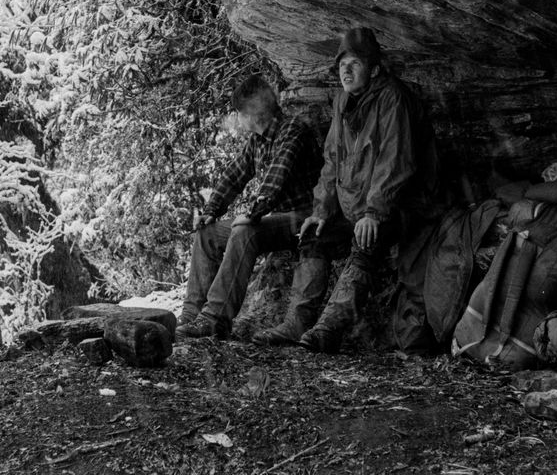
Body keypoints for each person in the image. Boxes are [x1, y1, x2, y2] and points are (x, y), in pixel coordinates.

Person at [253, 26, 440, 352]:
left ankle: (328, 330)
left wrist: (374, 213)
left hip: (400, 205)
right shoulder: (342, 100)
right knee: (314, 235)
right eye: (342, 65)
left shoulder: (392, 98)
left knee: (367, 240)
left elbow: (396, 162)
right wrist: (321, 210)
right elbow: (332, 160)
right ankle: (296, 323)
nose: (346, 71)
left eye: (355, 64)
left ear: (374, 69)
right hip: (357, 205)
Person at [177, 75, 323, 339]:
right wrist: (211, 211)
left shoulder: (292, 130)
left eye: (239, 112)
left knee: (244, 231)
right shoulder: (257, 140)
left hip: (305, 217)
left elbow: (278, 174)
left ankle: (215, 319)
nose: (237, 118)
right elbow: (234, 176)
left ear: (253, 112)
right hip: (279, 218)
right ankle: (191, 314)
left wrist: (254, 212)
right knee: (208, 233)